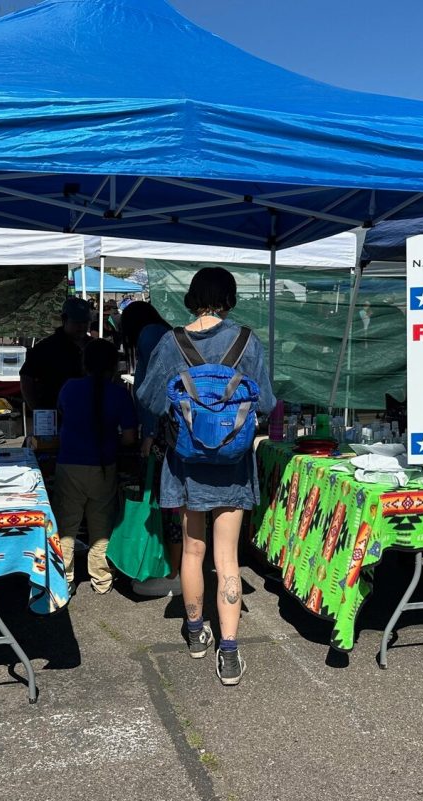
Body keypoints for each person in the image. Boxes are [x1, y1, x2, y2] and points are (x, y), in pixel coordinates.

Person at [137, 267, 275, 687]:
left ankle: (197, 633)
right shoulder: (247, 341)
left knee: (193, 553)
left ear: (192, 296)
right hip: (232, 465)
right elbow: (266, 401)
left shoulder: (170, 341)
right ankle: (229, 652)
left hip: (185, 464)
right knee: (227, 558)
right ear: (230, 297)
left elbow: (148, 398)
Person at [53, 339, 137, 595]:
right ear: (114, 366)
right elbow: (130, 438)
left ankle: (64, 579)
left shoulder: (69, 388)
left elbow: (62, 417)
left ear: (84, 363)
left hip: (69, 465)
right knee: (101, 526)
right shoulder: (119, 394)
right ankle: (101, 580)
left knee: (67, 525)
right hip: (103, 466)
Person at [120, 301, 180, 597]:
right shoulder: (163, 331)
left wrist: (150, 433)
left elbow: (157, 387)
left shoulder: (150, 335)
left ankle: (171, 571)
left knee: (164, 503)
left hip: (162, 435)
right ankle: (172, 569)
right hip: (169, 432)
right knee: (169, 504)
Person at [19, 297, 89, 412]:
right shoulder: (46, 348)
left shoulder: (93, 346)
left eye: (85, 322)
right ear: (64, 320)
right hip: (54, 415)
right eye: (76, 322)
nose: (81, 326)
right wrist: (37, 410)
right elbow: (26, 377)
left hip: (88, 416)